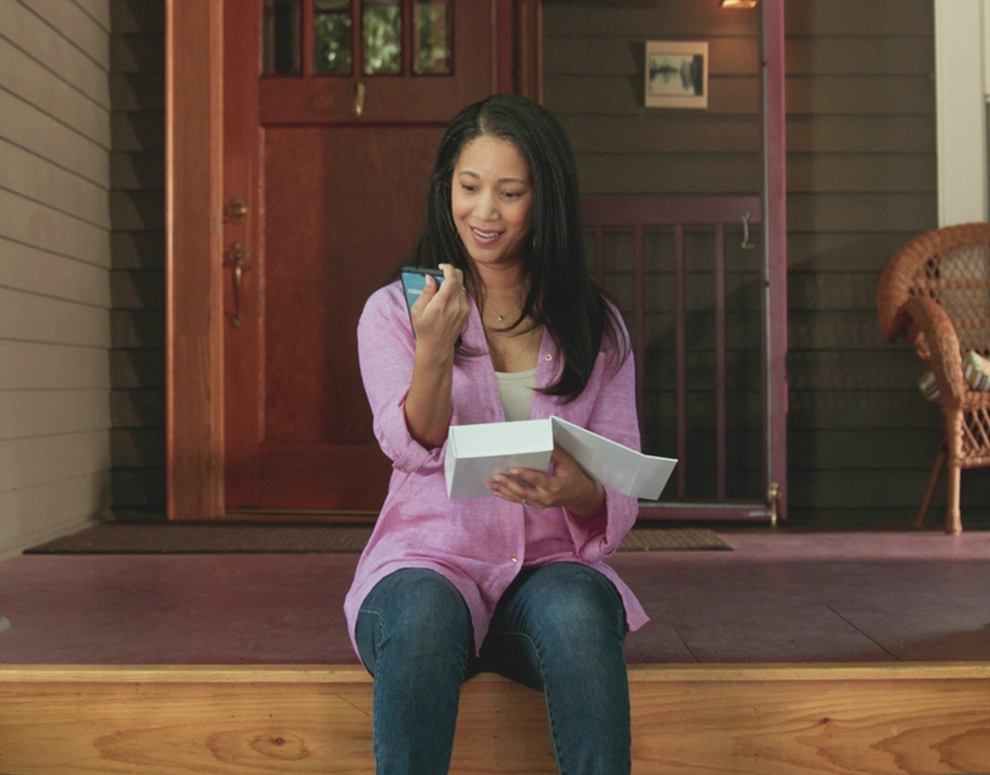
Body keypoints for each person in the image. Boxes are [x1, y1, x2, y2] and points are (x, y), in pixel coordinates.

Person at [344, 93, 648, 775]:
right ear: (445, 187)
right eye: (469, 186)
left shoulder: (597, 326)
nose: (483, 211)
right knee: (421, 614)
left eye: (509, 193)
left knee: (577, 607)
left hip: (543, 571)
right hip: (429, 560)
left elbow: (618, 477)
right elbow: (409, 445)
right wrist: (433, 349)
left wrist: (579, 490)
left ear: (544, 199)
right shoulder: (394, 309)